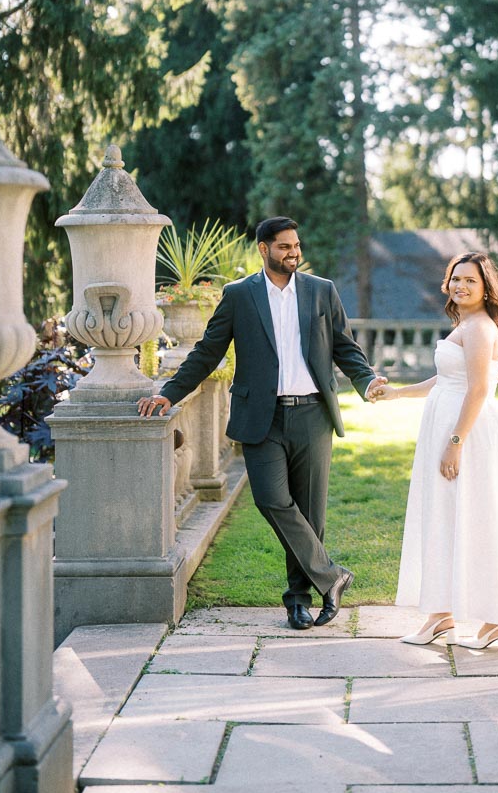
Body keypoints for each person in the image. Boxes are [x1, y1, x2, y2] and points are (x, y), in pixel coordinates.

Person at [138, 216, 387, 630]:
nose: (294, 252)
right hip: (261, 417)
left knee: (309, 513)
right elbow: (207, 351)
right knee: (271, 500)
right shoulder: (239, 295)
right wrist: (169, 392)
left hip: (312, 414)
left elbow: (345, 347)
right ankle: (332, 577)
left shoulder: (321, 291)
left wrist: (367, 380)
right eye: (284, 246)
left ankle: (298, 600)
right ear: (264, 249)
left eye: (296, 245)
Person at [370, 251, 498, 649]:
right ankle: (441, 617)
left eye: (470, 281)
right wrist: (396, 394)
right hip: (450, 426)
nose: (461, 286)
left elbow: (478, 390)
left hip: (468, 434)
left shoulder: (479, 329)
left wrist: (456, 443)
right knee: (447, 519)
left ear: (486, 288)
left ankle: (497, 621)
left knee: (474, 521)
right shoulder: (468, 324)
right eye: (455, 279)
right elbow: (445, 379)